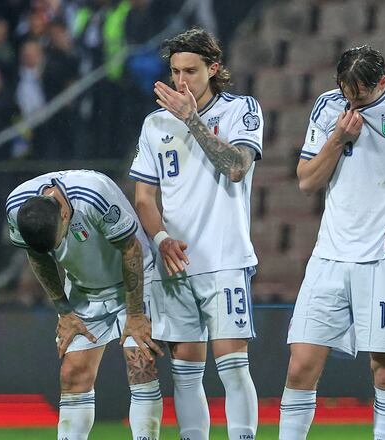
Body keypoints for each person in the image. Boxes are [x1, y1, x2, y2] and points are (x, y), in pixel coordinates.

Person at [278, 45, 385, 440]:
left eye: (359, 94)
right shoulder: (329, 107)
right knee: (300, 365)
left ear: (383, 82)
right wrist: (338, 139)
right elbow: (308, 180)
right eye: (346, 91)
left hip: (384, 258)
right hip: (329, 256)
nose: (351, 101)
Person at [129, 27, 262, 440]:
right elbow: (144, 198)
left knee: (232, 364)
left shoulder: (241, 109)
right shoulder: (155, 124)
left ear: (214, 68)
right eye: (175, 72)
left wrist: (192, 120)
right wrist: (161, 239)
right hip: (175, 262)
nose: (181, 81)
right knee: (186, 370)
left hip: (225, 257)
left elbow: (237, 167)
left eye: (191, 70)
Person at [5, 169, 163, 440]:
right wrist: (64, 311)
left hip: (135, 280)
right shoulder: (17, 206)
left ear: (65, 215)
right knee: (72, 373)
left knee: (140, 364)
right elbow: (38, 255)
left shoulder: (93, 193)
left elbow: (131, 248)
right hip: (83, 289)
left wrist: (135, 314)